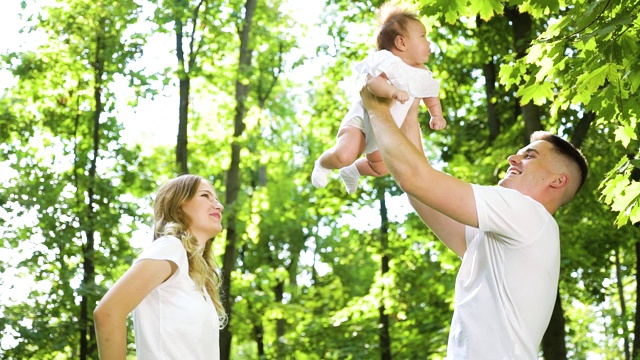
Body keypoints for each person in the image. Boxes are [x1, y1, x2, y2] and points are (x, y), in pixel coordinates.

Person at [359, 87, 588, 359]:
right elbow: (420, 191)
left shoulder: (528, 213)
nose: (512, 159)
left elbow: (415, 179)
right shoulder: (502, 237)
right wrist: (410, 105)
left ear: (557, 180)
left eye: (530, 156)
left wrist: (376, 109)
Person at [311, 3, 446, 194]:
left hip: (384, 130)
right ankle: (323, 164)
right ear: (401, 43)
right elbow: (372, 84)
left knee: (382, 168)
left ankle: (353, 171)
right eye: (423, 37)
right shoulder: (388, 61)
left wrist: (436, 115)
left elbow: (431, 95)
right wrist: (392, 92)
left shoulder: (423, 74)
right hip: (362, 124)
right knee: (344, 155)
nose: (429, 43)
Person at [94, 174, 226, 360]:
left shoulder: (197, 277)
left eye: (217, 199)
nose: (218, 205)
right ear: (178, 205)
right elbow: (108, 312)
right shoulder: (170, 248)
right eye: (205, 196)